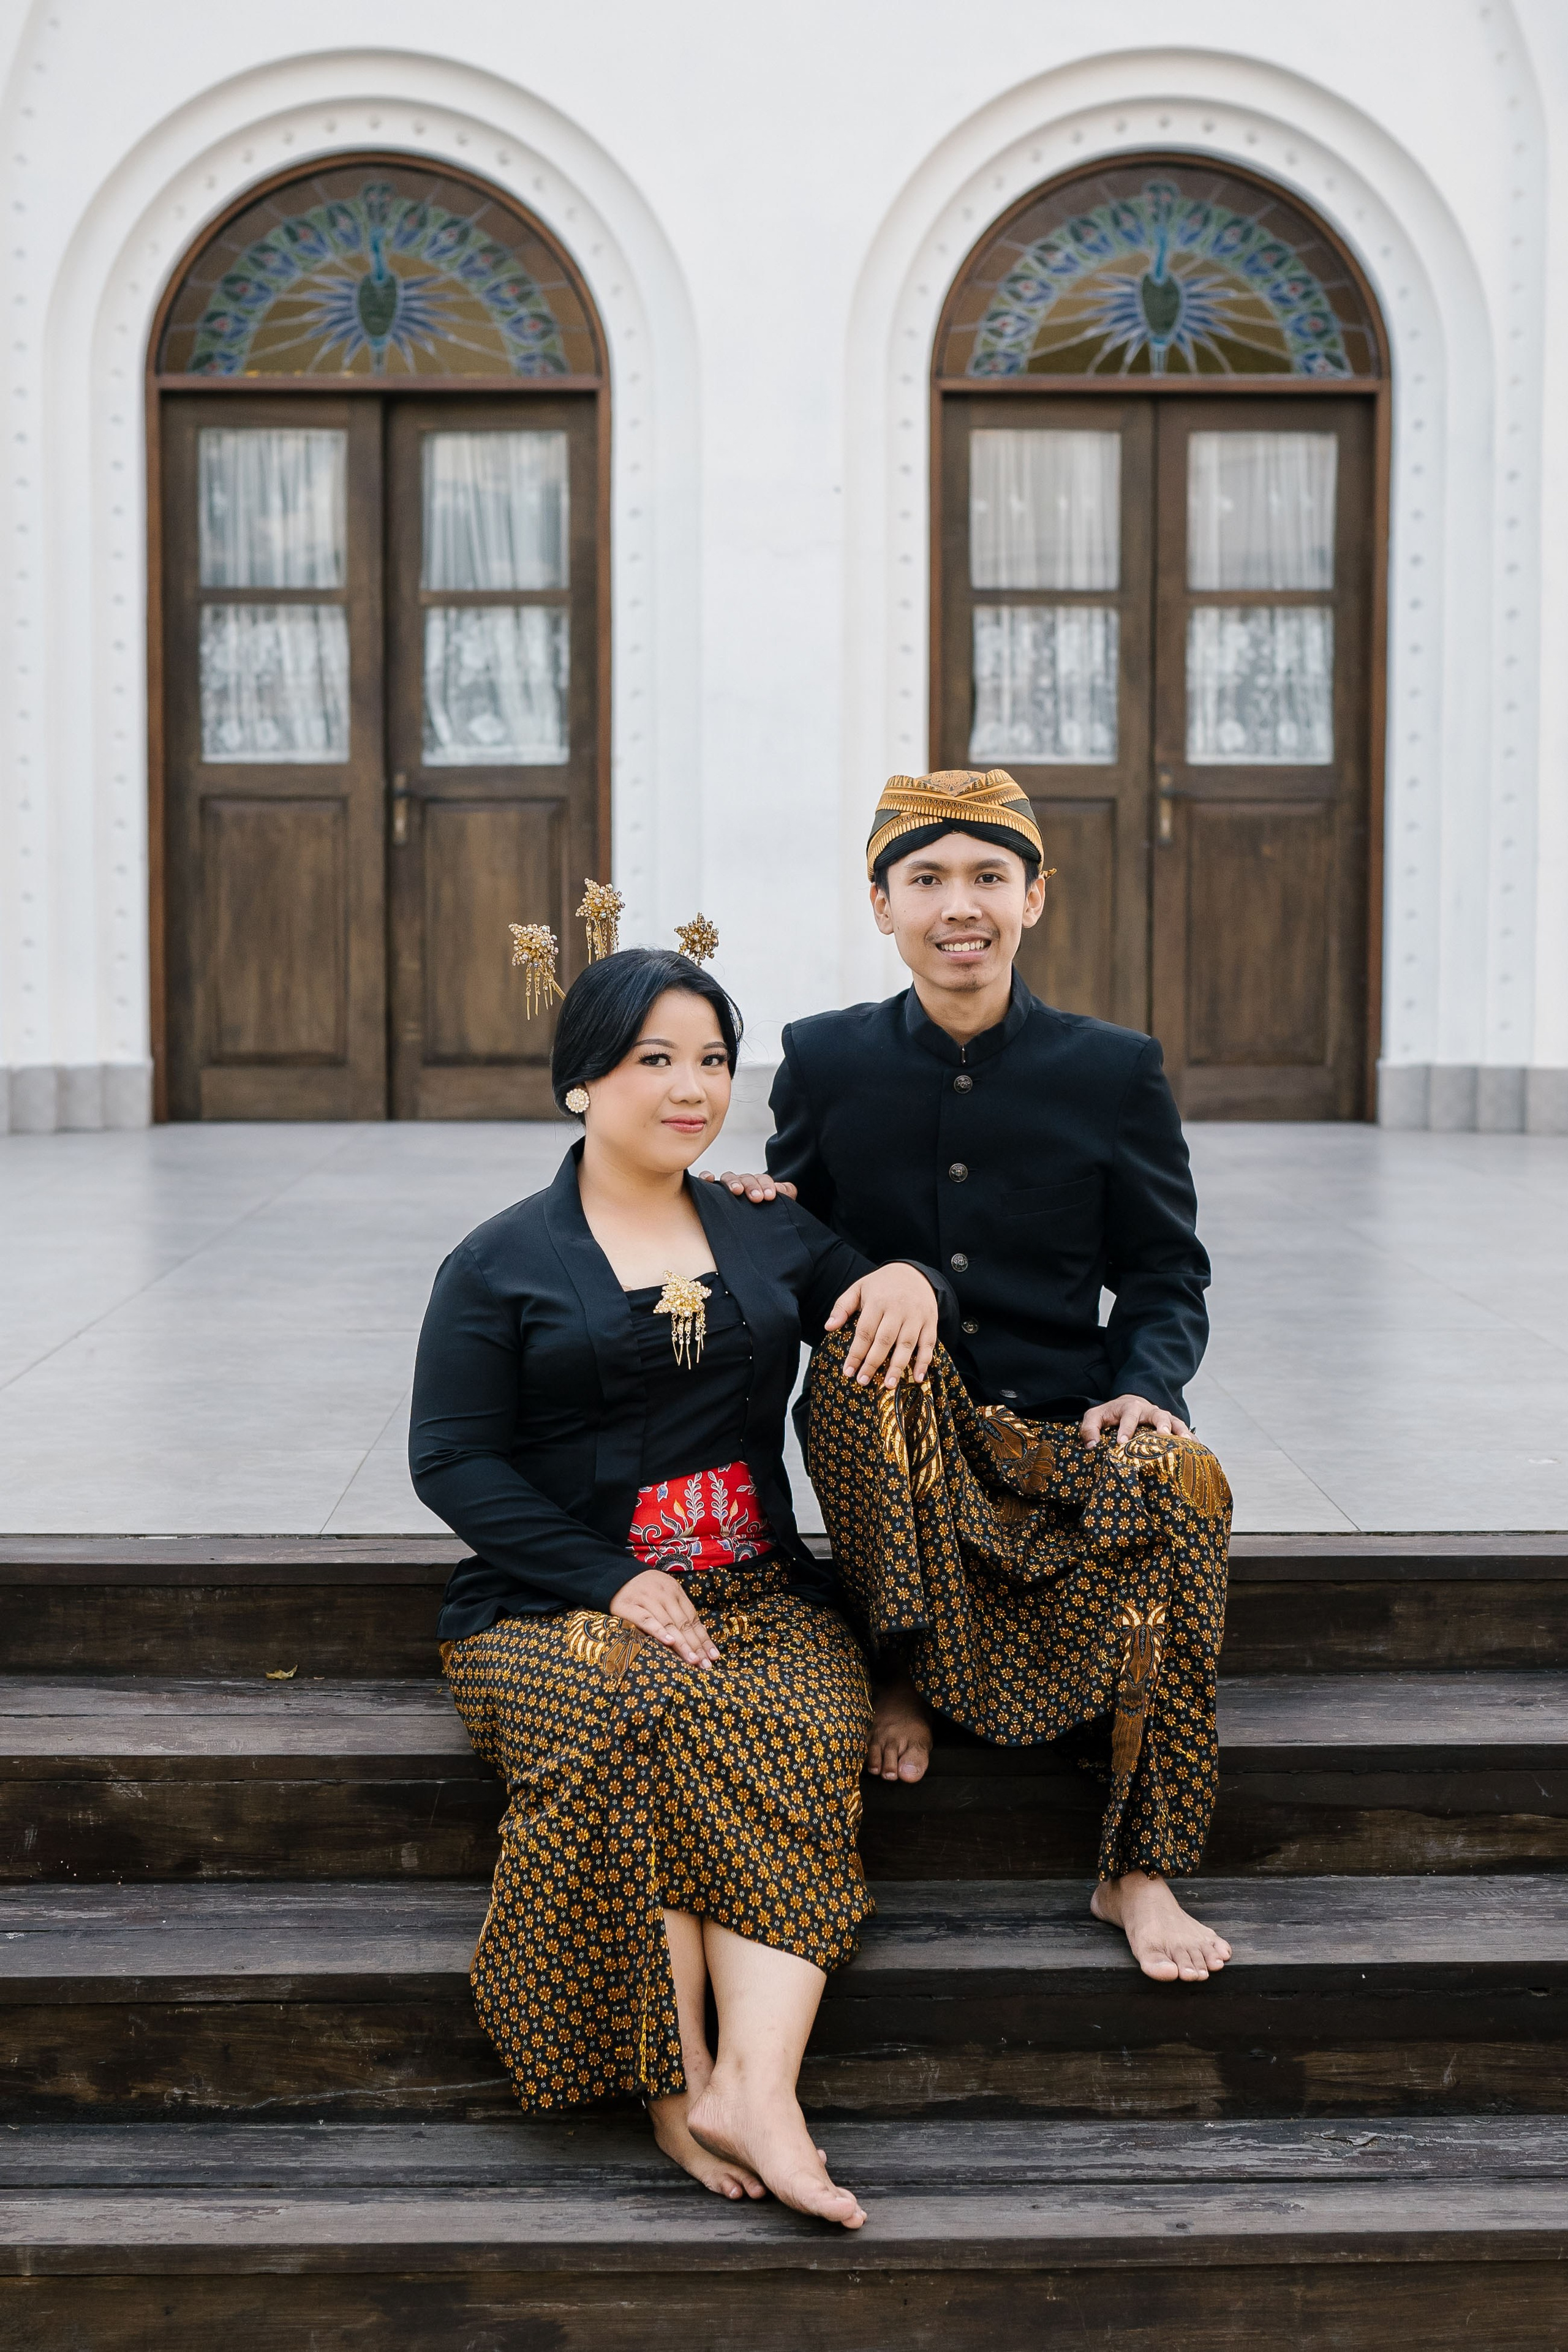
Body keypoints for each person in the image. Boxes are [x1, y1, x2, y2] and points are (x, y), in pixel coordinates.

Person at [409, 944, 943, 2229]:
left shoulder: (764, 1228)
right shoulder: (498, 1264)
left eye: (710, 1060)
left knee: (805, 1720)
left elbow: (870, 1295)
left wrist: (905, 1277)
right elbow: (451, 1459)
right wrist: (608, 1577)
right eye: (655, 1059)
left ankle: (758, 2087)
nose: (691, 1087)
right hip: (552, 1606)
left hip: (757, 1592)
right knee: (635, 1716)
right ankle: (675, 2079)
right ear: (581, 1082)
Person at [706, 768, 1232, 1985]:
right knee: (858, 1362)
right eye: (927, 879)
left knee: (1186, 1479)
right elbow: (801, 1234)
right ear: (880, 904)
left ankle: (1134, 1867)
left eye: (988, 878)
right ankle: (898, 1672)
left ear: (1034, 898)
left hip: (1065, 1423)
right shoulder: (825, 1058)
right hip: (907, 1416)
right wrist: (853, 1258)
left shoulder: (1113, 1071)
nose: (960, 906)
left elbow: (1164, 1272)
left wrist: (1146, 1383)